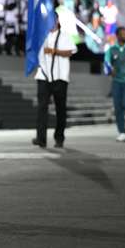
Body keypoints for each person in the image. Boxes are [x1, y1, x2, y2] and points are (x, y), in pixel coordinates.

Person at [33, 14, 77, 149]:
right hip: (43, 76)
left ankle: (59, 138)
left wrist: (54, 51)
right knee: (42, 109)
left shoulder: (64, 36)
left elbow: (70, 52)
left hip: (60, 77)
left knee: (60, 109)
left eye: (53, 19)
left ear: (58, 20)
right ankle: (41, 139)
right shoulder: (42, 36)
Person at [105, 27, 125, 142]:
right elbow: (106, 64)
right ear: (118, 36)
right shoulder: (111, 50)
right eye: (123, 34)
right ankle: (122, 132)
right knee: (118, 107)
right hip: (116, 82)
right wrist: (109, 70)